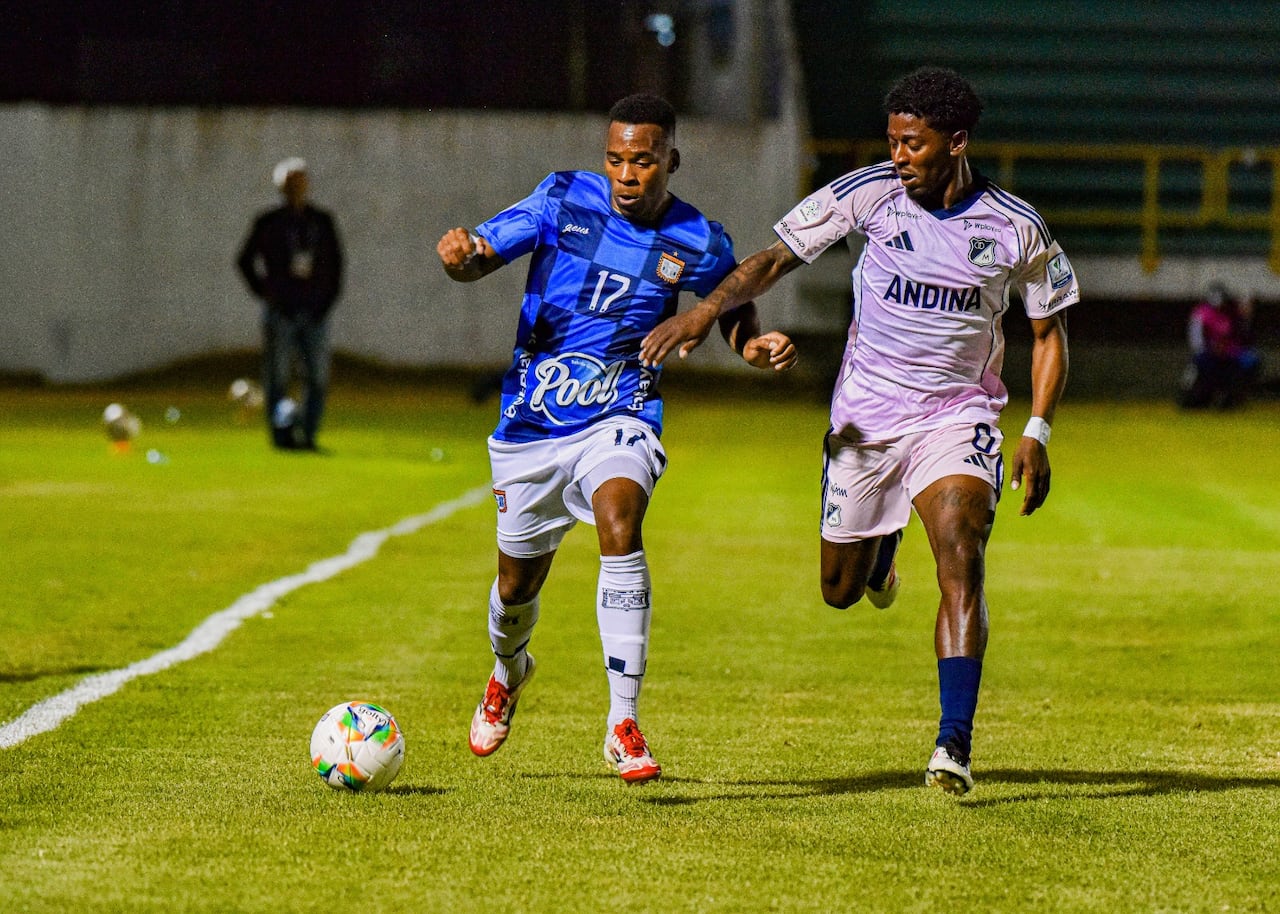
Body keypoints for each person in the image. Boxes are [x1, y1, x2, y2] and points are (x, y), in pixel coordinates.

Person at [641, 67, 1078, 795]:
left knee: (962, 553)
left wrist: (1037, 428)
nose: (899, 155)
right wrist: (701, 311)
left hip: (956, 414)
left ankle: (953, 743)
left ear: (957, 141)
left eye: (914, 142)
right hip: (865, 419)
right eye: (893, 141)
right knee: (839, 592)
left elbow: (1049, 332)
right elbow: (774, 259)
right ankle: (877, 560)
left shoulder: (1013, 226)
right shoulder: (867, 193)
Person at [437, 93, 795, 784]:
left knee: (620, 519)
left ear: (671, 161)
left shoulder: (697, 238)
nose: (627, 175)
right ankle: (509, 672)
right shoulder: (562, 198)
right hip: (533, 424)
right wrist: (461, 258)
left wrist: (751, 347)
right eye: (616, 159)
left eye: (643, 161)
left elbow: (730, 301)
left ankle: (621, 722)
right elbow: (482, 254)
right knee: (516, 586)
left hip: (620, 413)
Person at [236, 157, 344, 451]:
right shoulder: (269, 222)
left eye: (300, 180)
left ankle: (308, 434)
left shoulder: (321, 222)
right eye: (290, 182)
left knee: (318, 377)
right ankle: (281, 436)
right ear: (281, 187)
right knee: (278, 377)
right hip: (281, 310)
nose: (296, 187)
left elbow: (336, 265)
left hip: (315, 311)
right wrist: (265, 293)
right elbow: (244, 260)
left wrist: (326, 300)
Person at [1180, 282, 1259, 409]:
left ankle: (1233, 396)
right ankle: (1196, 395)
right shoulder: (1201, 313)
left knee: (1251, 360)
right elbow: (1196, 340)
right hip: (1207, 353)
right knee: (1199, 366)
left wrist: (1246, 317)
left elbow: (1241, 338)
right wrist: (1208, 349)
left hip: (1229, 352)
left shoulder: (1231, 313)